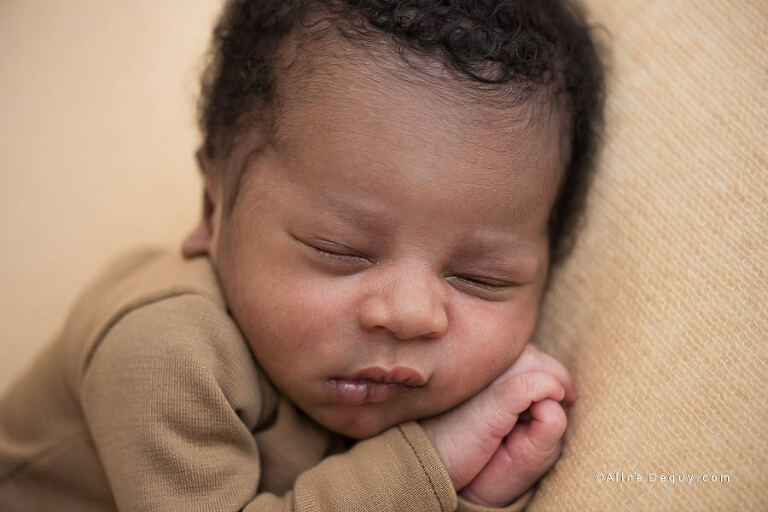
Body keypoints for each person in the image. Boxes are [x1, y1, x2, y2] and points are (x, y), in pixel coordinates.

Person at [0, 0, 604, 510]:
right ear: (213, 212)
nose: (412, 314)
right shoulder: (162, 347)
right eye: (339, 250)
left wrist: (483, 488)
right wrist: (436, 466)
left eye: (482, 278)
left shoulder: (422, 385)